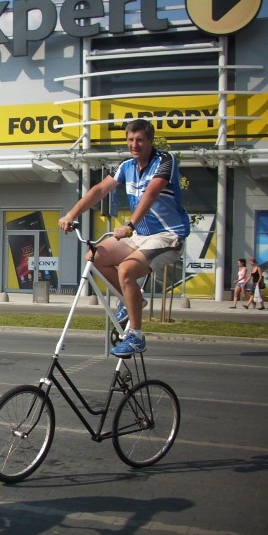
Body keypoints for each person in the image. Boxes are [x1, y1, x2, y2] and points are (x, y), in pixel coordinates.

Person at [58, 118, 189, 357]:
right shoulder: (127, 166)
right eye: (130, 140)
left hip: (168, 236)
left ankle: (137, 336)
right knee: (94, 257)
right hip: (140, 236)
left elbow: (151, 193)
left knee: (126, 270)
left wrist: (129, 224)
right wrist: (71, 213)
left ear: (150, 141)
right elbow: (99, 190)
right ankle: (133, 301)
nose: (134, 144)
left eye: (140, 140)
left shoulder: (165, 161)